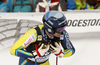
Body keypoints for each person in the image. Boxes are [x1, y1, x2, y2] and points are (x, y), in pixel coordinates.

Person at [10, 11, 75, 65]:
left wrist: (60, 53)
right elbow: (13, 50)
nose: (61, 32)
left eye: (63, 28)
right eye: (59, 29)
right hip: (28, 62)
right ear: (50, 29)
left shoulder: (62, 34)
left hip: (44, 62)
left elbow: (71, 50)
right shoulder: (34, 33)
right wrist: (35, 54)